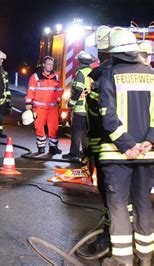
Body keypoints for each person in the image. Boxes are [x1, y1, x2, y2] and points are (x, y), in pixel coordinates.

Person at [98, 28, 154, 266]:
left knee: (119, 205)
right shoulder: (152, 75)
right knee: (143, 202)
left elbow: (107, 115)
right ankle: (146, 257)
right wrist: (148, 142)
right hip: (148, 153)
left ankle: (122, 261)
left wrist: (127, 145)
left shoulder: (109, 75)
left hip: (117, 155)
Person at [84, 25, 112, 253]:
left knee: (113, 195)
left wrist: (91, 148)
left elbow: (97, 116)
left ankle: (111, 238)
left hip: (110, 149)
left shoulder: (104, 76)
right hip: (143, 149)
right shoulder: (147, 76)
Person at [25, 56, 64, 154]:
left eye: (51, 64)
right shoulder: (35, 77)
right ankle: (41, 146)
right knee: (39, 127)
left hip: (52, 108)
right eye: (48, 64)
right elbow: (30, 90)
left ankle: (53, 147)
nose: (50, 66)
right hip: (39, 107)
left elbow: (60, 91)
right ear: (44, 65)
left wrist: (58, 100)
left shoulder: (56, 77)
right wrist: (28, 103)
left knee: (54, 128)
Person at [62, 51, 94, 160]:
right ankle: (86, 153)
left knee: (76, 132)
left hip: (80, 108)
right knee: (86, 133)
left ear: (79, 61)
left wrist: (71, 103)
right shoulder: (92, 72)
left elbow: (78, 90)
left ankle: (74, 153)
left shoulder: (80, 73)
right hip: (89, 109)